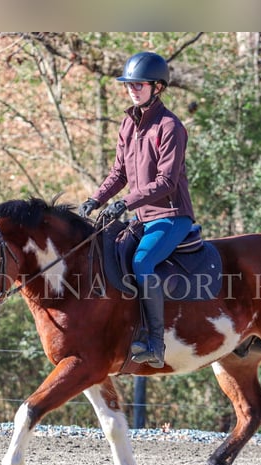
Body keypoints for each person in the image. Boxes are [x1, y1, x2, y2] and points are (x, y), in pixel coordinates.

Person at [79, 51, 196, 369]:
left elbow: (166, 182)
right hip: (142, 216)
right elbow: (118, 174)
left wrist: (124, 203)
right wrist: (95, 200)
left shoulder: (170, 127)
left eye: (139, 84)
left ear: (158, 87)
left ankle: (155, 343)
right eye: (129, 84)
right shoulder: (128, 124)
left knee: (142, 261)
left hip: (171, 216)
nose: (132, 88)